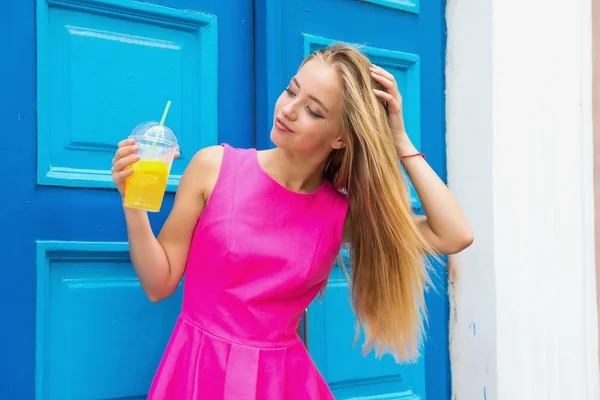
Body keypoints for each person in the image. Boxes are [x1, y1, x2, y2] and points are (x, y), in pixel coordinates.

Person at [111, 43, 473, 399]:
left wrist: (399, 139)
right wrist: (133, 202)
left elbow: (454, 234)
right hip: (197, 372)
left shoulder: (340, 214)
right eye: (290, 91)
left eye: (313, 110)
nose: (288, 110)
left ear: (341, 138)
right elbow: (159, 285)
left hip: (280, 382)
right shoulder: (213, 167)